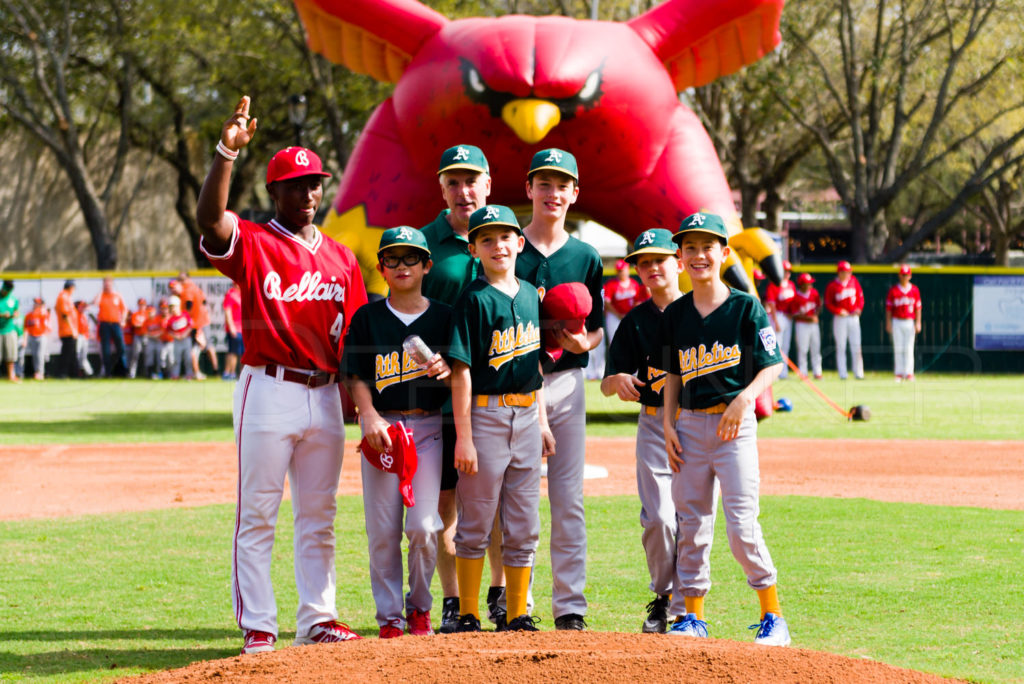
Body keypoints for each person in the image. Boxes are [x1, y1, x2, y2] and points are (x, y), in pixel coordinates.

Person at [196, 95, 368, 654]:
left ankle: (318, 618)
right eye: (297, 185)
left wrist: (363, 404)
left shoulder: (343, 257)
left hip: (325, 397)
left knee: (319, 517)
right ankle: (259, 627)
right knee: (259, 515)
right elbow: (209, 219)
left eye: (316, 183)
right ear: (276, 192)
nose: (310, 193)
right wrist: (227, 152)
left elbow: (358, 340)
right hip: (267, 387)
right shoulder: (255, 241)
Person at [659, 211, 790, 646]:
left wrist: (743, 397)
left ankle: (773, 615)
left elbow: (772, 367)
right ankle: (691, 617)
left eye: (707, 246)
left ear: (724, 253)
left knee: (741, 525)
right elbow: (674, 376)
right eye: (690, 247)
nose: (699, 255)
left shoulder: (745, 306)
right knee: (691, 523)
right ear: (680, 256)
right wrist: (668, 424)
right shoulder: (676, 313)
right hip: (690, 425)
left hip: (735, 427)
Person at [448, 204, 555, 633]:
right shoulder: (472, 300)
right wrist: (464, 437)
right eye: (487, 239)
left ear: (520, 242)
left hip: (528, 415)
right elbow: (461, 370)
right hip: (486, 417)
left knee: (525, 522)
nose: (498, 245)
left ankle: (516, 612)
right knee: (475, 519)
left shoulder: (530, 294)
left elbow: (536, 368)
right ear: (474, 249)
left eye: (505, 236)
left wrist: (544, 422)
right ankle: (470, 612)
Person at [344, 227, 452, 639]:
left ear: (427, 265)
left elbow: (462, 370)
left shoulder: (444, 316)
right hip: (382, 429)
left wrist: (447, 369)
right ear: (381, 268)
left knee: (424, 526)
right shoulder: (368, 318)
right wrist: (367, 414)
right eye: (393, 259)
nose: (402, 266)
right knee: (383, 531)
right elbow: (355, 375)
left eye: (411, 258)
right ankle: (389, 618)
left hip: (427, 428)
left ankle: (419, 607)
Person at [419, 144, 506, 632]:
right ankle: (453, 602)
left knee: (493, 502)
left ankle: (497, 592)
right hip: (442, 394)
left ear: (488, 183)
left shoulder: (507, 237)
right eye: (453, 181)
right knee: (447, 502)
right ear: (442, 188)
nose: (463, 189)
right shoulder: (427, 243)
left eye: (472, 179)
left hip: (497, 395)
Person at [515, 148, 603, 631]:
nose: (553, 193)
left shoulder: (585, 256)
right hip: (517, 387)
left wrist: (579, 341)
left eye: (561, 184)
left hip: (567, 384)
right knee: (521, 499)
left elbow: (598, 329)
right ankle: (519, 605)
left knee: (568, 499)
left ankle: (570, 607)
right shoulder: (508, 246)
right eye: (543, 184)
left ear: (574, 194)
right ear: (529, 189)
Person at [599, 229, 681, 634]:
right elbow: (606, 382)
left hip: (698, 420)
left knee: (694, 519)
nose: (650, 268)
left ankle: (688, 605)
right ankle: (664, 596)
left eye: (658, 259)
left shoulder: (705, 312)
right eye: (642, 262)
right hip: (652, 421)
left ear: (679, 261)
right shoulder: (634, 322)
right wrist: (616, 382)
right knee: (660, 519)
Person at [824, 261, 864, 380]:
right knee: (841, 346)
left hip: (853, 317)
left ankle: (859, 372)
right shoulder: (833, 285)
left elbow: (860, 298)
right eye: (844, 272)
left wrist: (859, 308)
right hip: (841, 318)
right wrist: (838, 311)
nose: (847, 274)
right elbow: (828, 303)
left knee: (856, 345)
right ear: (839, 272)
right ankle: (843, 373)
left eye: (848, 271)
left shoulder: (854, 282)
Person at [176, 271, 218, 379]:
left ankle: (197, 372)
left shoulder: (187, 289)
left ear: (186, 279)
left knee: (194, 349)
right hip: (204, 321)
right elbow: (204, 302)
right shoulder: (196, 288)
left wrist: (187, 318)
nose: (180, 282)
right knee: (208, 346)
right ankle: (215, 370)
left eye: (181, 280)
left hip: (196, 324)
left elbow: (188, 304)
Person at [886, 264, 922, 382]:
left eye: (906, 275)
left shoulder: (914, 290)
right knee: (898, 347)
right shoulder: (894, 290)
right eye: (903, 275)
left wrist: (918, 322)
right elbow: (889, 308)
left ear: (910, 276)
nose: (905, 277)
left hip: (909, 321)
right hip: (897, 321)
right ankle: (899, 373)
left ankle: (909, 373)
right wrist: (888, 323)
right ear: (899, 276)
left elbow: (918, 307)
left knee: (909, 348)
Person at [763, 261, 794, 379]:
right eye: (785, 271)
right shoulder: (773, 285)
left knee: (786, 345)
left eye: (788, 271)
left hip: (787, 317)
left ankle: (783, 372)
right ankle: (773, 373)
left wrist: (792, 313)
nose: (787, 273)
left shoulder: (791, 285)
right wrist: (775, 321)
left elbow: (793, 303)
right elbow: (772, 304)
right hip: (778, 316)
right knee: (776, 346)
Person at [788, 272, 822, 380]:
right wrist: (809, 318)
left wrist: (815, 315)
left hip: (813, 325)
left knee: (816, 348)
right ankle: (803, 373)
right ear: (801, 284)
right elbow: (794, 314)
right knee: (803, 350)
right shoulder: (796, 296)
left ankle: (818, 372)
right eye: (808, 283)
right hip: (802, 325)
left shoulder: (814, 293)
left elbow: (818, 306)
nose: (810, 285)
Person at [93, 277, 128, 377]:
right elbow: (95, 303)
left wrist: (123, 320)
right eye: (105, 284)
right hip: (104, 324)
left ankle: (123, 371)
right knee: (106, 349)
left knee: (121, 347)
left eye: (109, 284)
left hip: (116, 324)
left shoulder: (117, 295)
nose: (107, 286)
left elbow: (124, 309)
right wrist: (101, 291)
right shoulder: (101, 295)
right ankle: (108, 372)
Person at [164, 296, 193, 380]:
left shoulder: (185, 314)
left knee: (188, 358)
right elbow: (168, 330)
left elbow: (190, 326)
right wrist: (176, 336)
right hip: (177, 341)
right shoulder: (170, 319)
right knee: (176, 359)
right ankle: (175, 375)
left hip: (186, 339)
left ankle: (189, 374)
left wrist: (184, 334)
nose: (173, 309)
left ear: (178, 306)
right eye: (171, 307)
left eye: (174, 306)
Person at [54, 280, 79, 379]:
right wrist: (73, 329)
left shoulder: (65, 297)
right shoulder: (63, 297)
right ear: (71, 287)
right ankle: (62, 373)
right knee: (67, 354)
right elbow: (65, 315)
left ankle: (74, 374)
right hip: (67, 331)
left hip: (69, 330)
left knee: (71, 354)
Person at [24, 297, 52, 380]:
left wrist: (43, 309)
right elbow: (26, 328)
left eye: (38, 303)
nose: (36, 305)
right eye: (35, 303)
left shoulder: (44, 313)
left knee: (40, 355)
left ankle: (40, 373)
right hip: (32, 336)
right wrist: (25, 339)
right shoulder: (29, 315)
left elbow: (48, 325)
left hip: (41, 336)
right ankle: (37, 372)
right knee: (35, 355)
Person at [0, 280, 21, 382]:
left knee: (10, 355)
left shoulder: (13, 299)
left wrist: (14, 314)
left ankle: (11, 376)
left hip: (9, 329)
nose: (5, 292)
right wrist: (3, 315)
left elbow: (17, 311)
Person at [222, 283, 243, 380]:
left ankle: (241, 375)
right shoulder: (231, 294)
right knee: (233, 351)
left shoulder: (241, 293)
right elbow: (228, 311)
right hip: (235, 328)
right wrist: (231, 327)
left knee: (243, 353)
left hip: (243, 328)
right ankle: (230, 373)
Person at [144, 300, 170, 379]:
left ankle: (161, 374)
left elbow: (162, 330)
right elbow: (145, 333)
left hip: (159, 340)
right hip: (151, 340)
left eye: (151, 311)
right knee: (149, 357)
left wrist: (154, 335)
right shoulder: (146, 321)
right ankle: (149, 374)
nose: (150, 313)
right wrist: (153, 335)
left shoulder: (159, 318)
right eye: (148, 312)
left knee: (160, 357)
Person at [127, 298, 151, 379]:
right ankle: (132, 374)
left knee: (147, 355)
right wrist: (143, 325)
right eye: (140, 304)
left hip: (146, 336)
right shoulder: (135, 314)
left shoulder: (148, 314)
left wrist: (142, 325)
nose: (142, 306)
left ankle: (147, 373)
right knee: (135, 355)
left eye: (143, 304)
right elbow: (135, 325)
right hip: (138, 336)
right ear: (138, 305)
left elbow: (150, 325)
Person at [74, 301, 95, 377]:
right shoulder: (75, 314)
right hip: (78, 336)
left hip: (84, 337)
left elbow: (86, 328)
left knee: (83, 356)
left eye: (84, 306)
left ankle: (89, 373)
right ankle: (79, 372)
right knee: (77, 354)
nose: (83, 308)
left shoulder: (84, 316)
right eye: (81, 306)